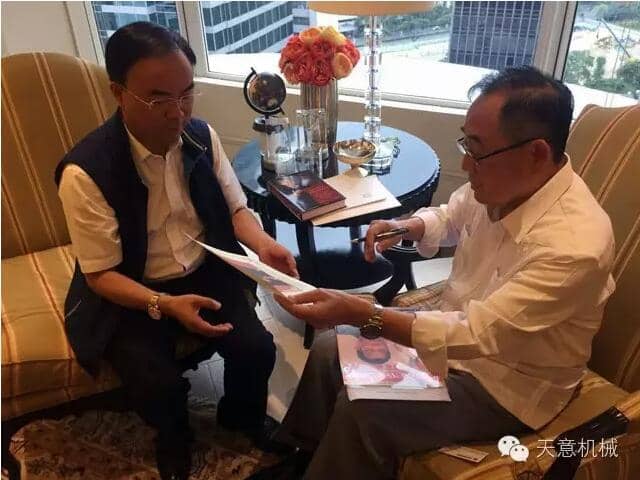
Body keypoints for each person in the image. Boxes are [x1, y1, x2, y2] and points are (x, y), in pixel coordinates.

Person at [248, 66, 616, 480]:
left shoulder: (573, 247)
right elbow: (451, 215)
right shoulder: (505, 180)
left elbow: (475, 334)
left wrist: (364, 313)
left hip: (507, 384)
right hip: (454, 335)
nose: (466, 163)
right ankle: (304, 453)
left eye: (477, 151)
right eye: (466, 143)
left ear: (536, 153)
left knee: (365, 408)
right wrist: (407, 226)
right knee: (330, 348)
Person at [54, 22, 298, 480]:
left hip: (203, 267)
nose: (177, 112)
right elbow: (100, 275)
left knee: (257, 349)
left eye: (187, 94)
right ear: (118, 93)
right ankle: (173, 436)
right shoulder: (85, 172)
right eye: (158, 99)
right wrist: (164, 304)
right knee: (157, 382)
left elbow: (236, 210)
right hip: (132, 286)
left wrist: (265, 246)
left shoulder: (200, 136)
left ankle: (240, 418)